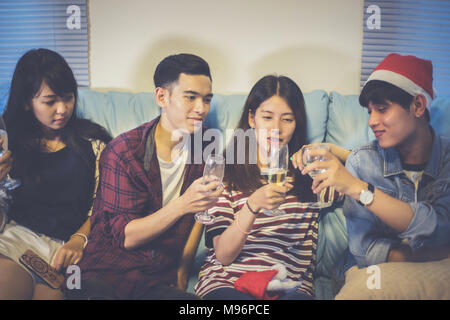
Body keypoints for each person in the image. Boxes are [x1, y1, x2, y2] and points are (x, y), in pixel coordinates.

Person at [76, 53, 224, 300]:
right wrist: (181, 205)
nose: (201, 109)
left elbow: (201, 212)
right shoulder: (124, 152)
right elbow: (127, 237)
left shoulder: (206, 142)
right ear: (161, 96)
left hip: (156, 275)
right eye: (190, 97)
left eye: (206, 99)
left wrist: (182, 268)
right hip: (107, 272)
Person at [194, 75, 345, 300]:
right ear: (252, 119)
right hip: (228, 283)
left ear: (297, 123)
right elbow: (224, 255)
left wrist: (334, 150)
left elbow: (367, 179)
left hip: (288, 286)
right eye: (267, 117)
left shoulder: (310, 174)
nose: (276, 128)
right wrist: (252, 206)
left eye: (287, 119)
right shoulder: (227, 173)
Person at [300, 53, 450, 274]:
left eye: (382, 109)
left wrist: (360, 190)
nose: (371, 121)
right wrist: (433, 255)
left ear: (418, 105)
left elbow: (441, 228)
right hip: (377, 275)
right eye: (370, 112)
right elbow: (363, 250)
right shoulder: (362, 163)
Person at [0, 48, 112, 300]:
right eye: (50, 101)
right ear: (27, 102)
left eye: (68, 98)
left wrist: (79, 238)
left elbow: (105, 203)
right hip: (19, 241)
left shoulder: (93, 143)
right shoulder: (8, 145)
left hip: (69, 250)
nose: (62, 109)